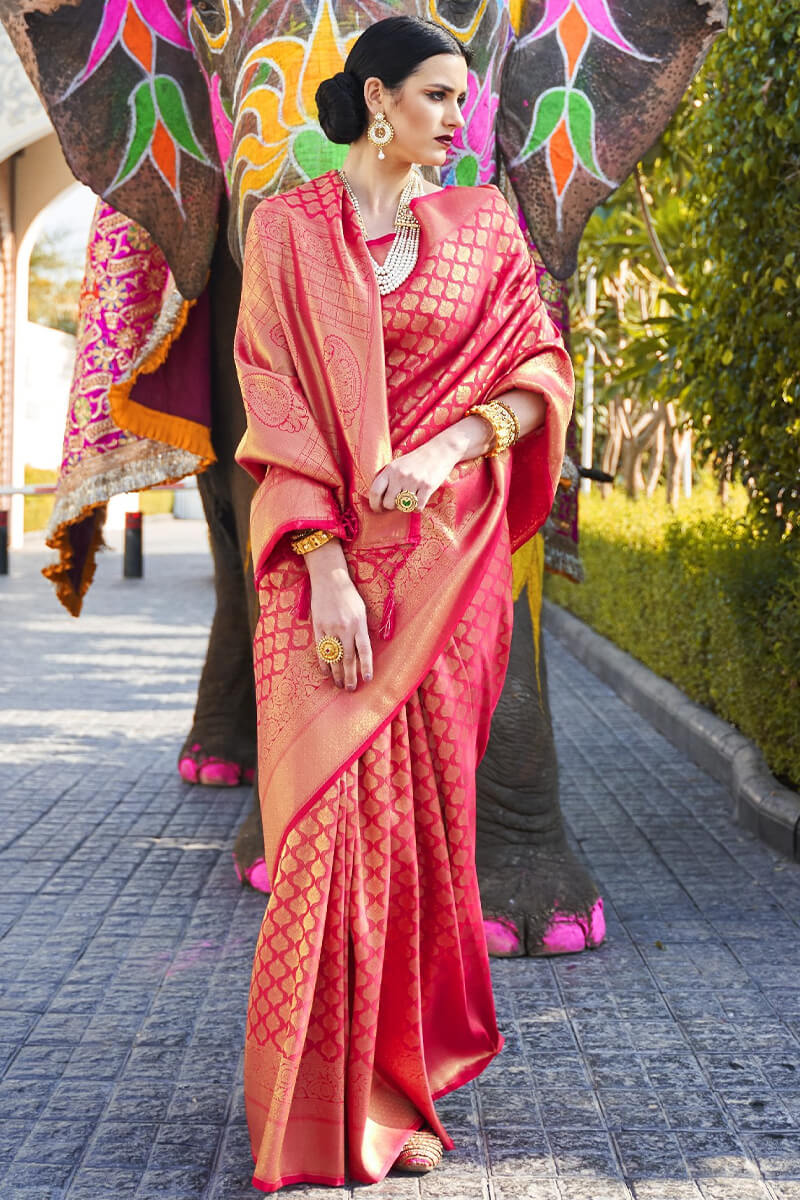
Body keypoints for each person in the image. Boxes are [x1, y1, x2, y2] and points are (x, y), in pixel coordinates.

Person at [232, 15, 574, 1193]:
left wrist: (445, 450)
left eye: (461, 96)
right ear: (377, 101)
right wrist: (323, 563)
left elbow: (539, 372)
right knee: (324, 827)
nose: (456, 116)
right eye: (436, 94)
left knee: (416, 836)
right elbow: (272, 402)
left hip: (443, 563)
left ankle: (395, 1090)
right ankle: (305, 1108)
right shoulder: (284, 230)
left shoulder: (482, 226)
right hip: (318, 565)